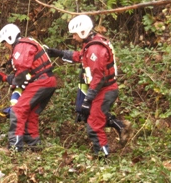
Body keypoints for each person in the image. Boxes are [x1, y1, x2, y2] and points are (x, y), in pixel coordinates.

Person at [47, 14, 131, 158]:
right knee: (91, 116)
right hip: (102, 90)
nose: (73, 38)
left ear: (82, 32)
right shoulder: (92, 44)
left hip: (104, 90)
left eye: (74, 34)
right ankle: (120, 126)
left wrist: (88, 99)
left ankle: (103, 157)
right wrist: (59, 53)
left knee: (93, 125)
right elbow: (80, 56)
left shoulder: (95, 49)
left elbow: (98, 77)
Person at [0, 24, 56, 152]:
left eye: (5, 43)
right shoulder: (26, 44)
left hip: (41, 82)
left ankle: (14, 147)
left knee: (17, 111)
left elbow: (22, 72)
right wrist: (6, 78)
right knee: (31, 113)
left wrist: (14, 84)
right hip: (48, 81)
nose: (6, 47)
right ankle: (35, 145)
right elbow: (24, 73)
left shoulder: (20, 47)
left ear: (10, 38)